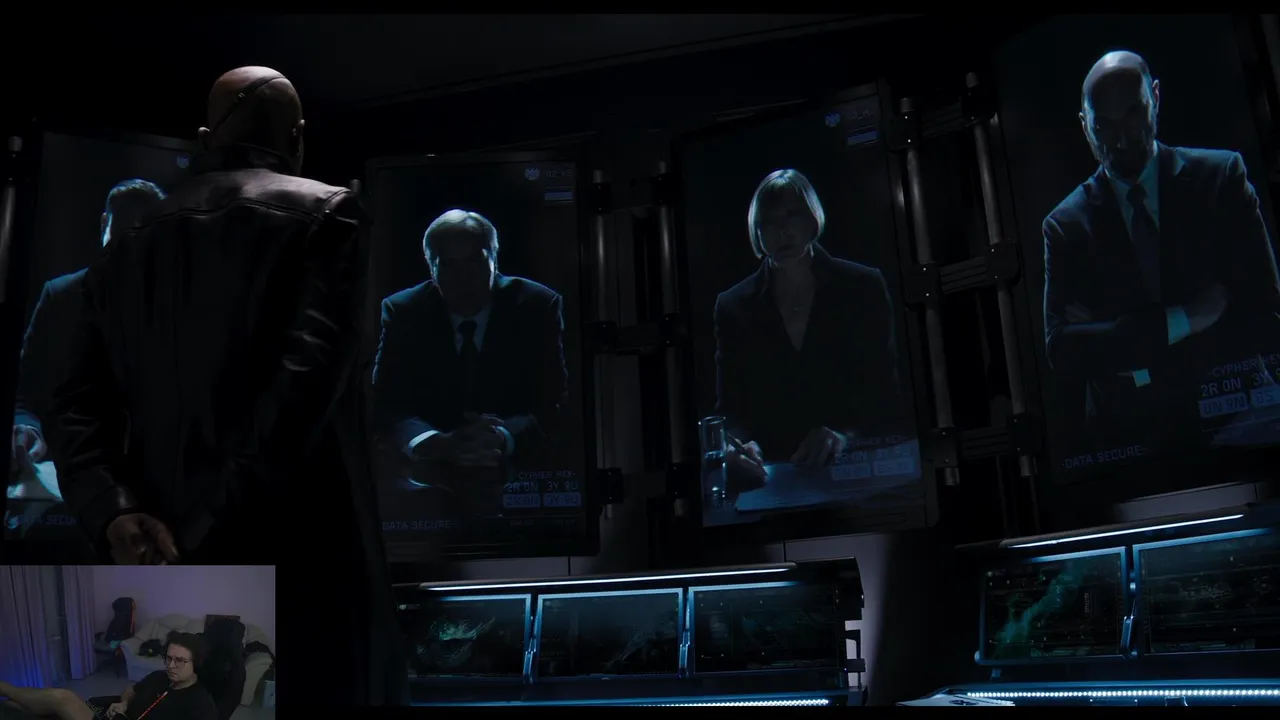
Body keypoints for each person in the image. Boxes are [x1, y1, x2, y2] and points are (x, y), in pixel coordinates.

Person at [46, 66, 406, 705]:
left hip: (161, 549)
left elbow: (74, 399)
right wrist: (210, 517)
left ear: (208, 139)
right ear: (297, 136)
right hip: (308, 555)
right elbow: (303, 388)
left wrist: (114, 510)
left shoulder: (129, 241)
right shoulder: (331, 214)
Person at [1041, 50, 1280, 433]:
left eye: (1133, 114)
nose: (1122, 139)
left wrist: (1115, 337)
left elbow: (1263, 307)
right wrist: (1188, 317)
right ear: (1084, 125)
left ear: (1155, 97)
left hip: (1240, 415)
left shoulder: (1221, 178)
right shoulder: (1065, 226)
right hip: (1128, 434)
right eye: (1104, 126)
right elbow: (1064, 350)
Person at [713, 168, 904, 479]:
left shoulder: (862, 286)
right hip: (770, 475)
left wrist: (846, 437)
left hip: (856, 470)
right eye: (769, 220)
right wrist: (739, 446)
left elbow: (885, 395)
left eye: (792, 214)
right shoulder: (733, 305)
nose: (782, 230)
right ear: (756, 231)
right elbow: (729, 408)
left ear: (812, 218)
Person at [371, 209, 568, 504]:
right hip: (424, 482)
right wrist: (435, 443)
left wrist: (502, 437)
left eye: (475, 260)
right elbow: (386, 403)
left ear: (495, 259)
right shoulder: (403, 311)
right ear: (431, 267)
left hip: (523, 475)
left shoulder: (537, 306)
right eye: (448, 264)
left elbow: (556, 400)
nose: (463, 277)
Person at [10, 179, 166, 473]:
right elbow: (25, 390)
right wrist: (26, 428)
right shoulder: (60, 297)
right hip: (66, 468)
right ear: (104, 224)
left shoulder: (174, 305)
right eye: (123, 234)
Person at [0, 633, 216, 720]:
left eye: (180, 661)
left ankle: (3, 687)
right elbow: (131, 690)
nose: (171, 665)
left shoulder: (200, 705)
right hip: (113, 716)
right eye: (168, 658)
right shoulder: (160, 676)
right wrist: (123, 703)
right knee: (27, 705)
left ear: (196, 663)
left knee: (62, 698)